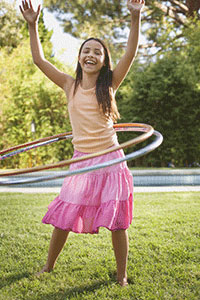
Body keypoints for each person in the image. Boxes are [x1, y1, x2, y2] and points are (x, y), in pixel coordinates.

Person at [20, 0, 145, 287]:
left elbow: (130, 53)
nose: (91, 54)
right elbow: (39, 61)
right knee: (64, 214)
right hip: (81, 159)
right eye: (86, 50)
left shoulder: (110, 83)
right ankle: (48, 266)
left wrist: (135, 17)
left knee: (117, 220)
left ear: (103, 60)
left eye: (97, 52)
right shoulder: (68, 84)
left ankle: (122, 275)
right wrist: (32, 24)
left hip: (111, 159)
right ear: (79, 58)